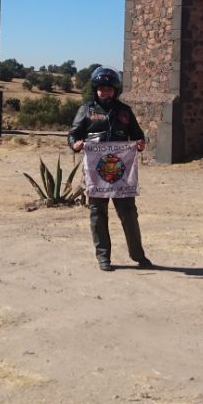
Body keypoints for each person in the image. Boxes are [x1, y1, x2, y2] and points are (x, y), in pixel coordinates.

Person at [68, 66, 153, 272]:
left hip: (121, 173)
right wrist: (75, 144)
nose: (104, 92)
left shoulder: (125, 111)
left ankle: (138, 254)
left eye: (109, 88)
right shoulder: (86, 110)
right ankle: (103, 256)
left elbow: (138, 134)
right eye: (101, 88)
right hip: (96, 173)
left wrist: (140, 143)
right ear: (95, 89)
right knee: (98, 213)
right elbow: (72, 134)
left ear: (115, 90)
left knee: (129, 213)